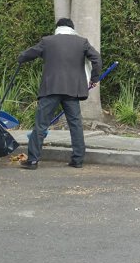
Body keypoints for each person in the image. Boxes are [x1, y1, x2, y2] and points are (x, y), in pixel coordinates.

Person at [16, 18, 102, 170]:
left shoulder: (47, 41)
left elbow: (31, 53)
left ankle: (33, 160)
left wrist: (21, 58)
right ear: (72, 28)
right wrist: (94, 78)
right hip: (72, 91)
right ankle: (77, 160)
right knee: (75, 125)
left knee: (41, 124)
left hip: (51, 89)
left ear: (57, 28)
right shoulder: (82, 42)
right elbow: (96, 58)